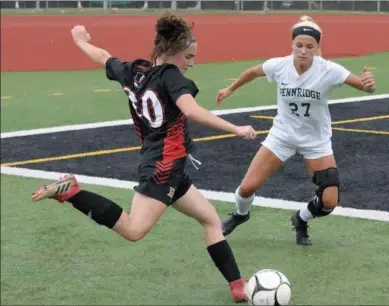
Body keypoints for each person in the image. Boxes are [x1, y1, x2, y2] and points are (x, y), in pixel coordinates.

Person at [31, 13, 257, 302]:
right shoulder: (173, 77)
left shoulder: (135, 71)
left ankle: (237, 285)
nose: (191, 63)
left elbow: (103, 57)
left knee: (210, 218)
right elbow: (191, 110)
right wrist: (235, 128)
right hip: (163, 167)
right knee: (134, 229)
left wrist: (79, 41)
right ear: (172, 52)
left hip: (167, 164)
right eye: (188, 56)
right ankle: (72, 192)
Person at [216, 16, 376, 246]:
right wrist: (230, 88)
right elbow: (252, 71)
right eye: (298, 45)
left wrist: (369, 85)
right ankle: (241, 214)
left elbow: (363, 86)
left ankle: (300, 218)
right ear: (292, 44)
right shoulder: (279, 65)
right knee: (247, 187)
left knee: (329, 201)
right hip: (282, 136)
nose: (303, 51)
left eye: (309, 46)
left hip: (316, 141)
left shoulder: (329, 70)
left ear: (318, 47)